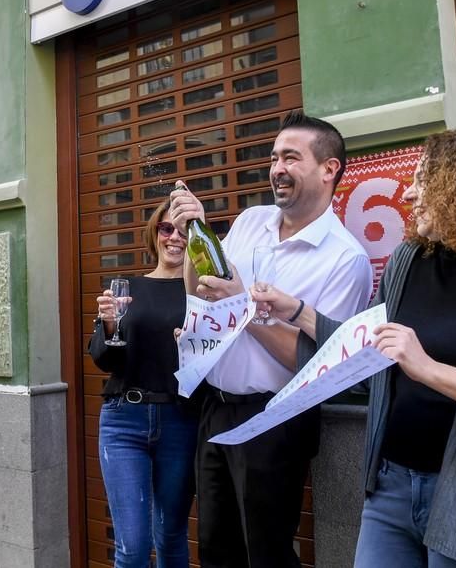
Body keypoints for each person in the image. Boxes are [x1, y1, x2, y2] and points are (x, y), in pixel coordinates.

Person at [252, 130, 456, 568]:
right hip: (391, 489)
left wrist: (427, 368)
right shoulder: (408, 260)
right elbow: (370, 351)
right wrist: (298, 311)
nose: (410, 193)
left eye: (424, 181)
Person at [169, 110, 373, 568]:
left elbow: (318, 365)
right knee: (217, 551)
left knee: (266, 554)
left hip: (275, 420)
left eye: (291, 157)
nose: (277, 168)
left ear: (329, 168)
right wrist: (195, 236)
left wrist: (243, 308)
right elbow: (197, 291)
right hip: (215, 408)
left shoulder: (345, 259)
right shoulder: (250, 220)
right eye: (275, 156)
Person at [88, 199, 198, 568]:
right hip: (124, 420)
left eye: (184, 231)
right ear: (155, 233)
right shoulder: (126, 288)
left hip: (180, 420)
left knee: (171, 538)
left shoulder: (202, 294)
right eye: (167, 228)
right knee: (132, 547)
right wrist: (107, 325)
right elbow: (106, 360)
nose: (175, 237)